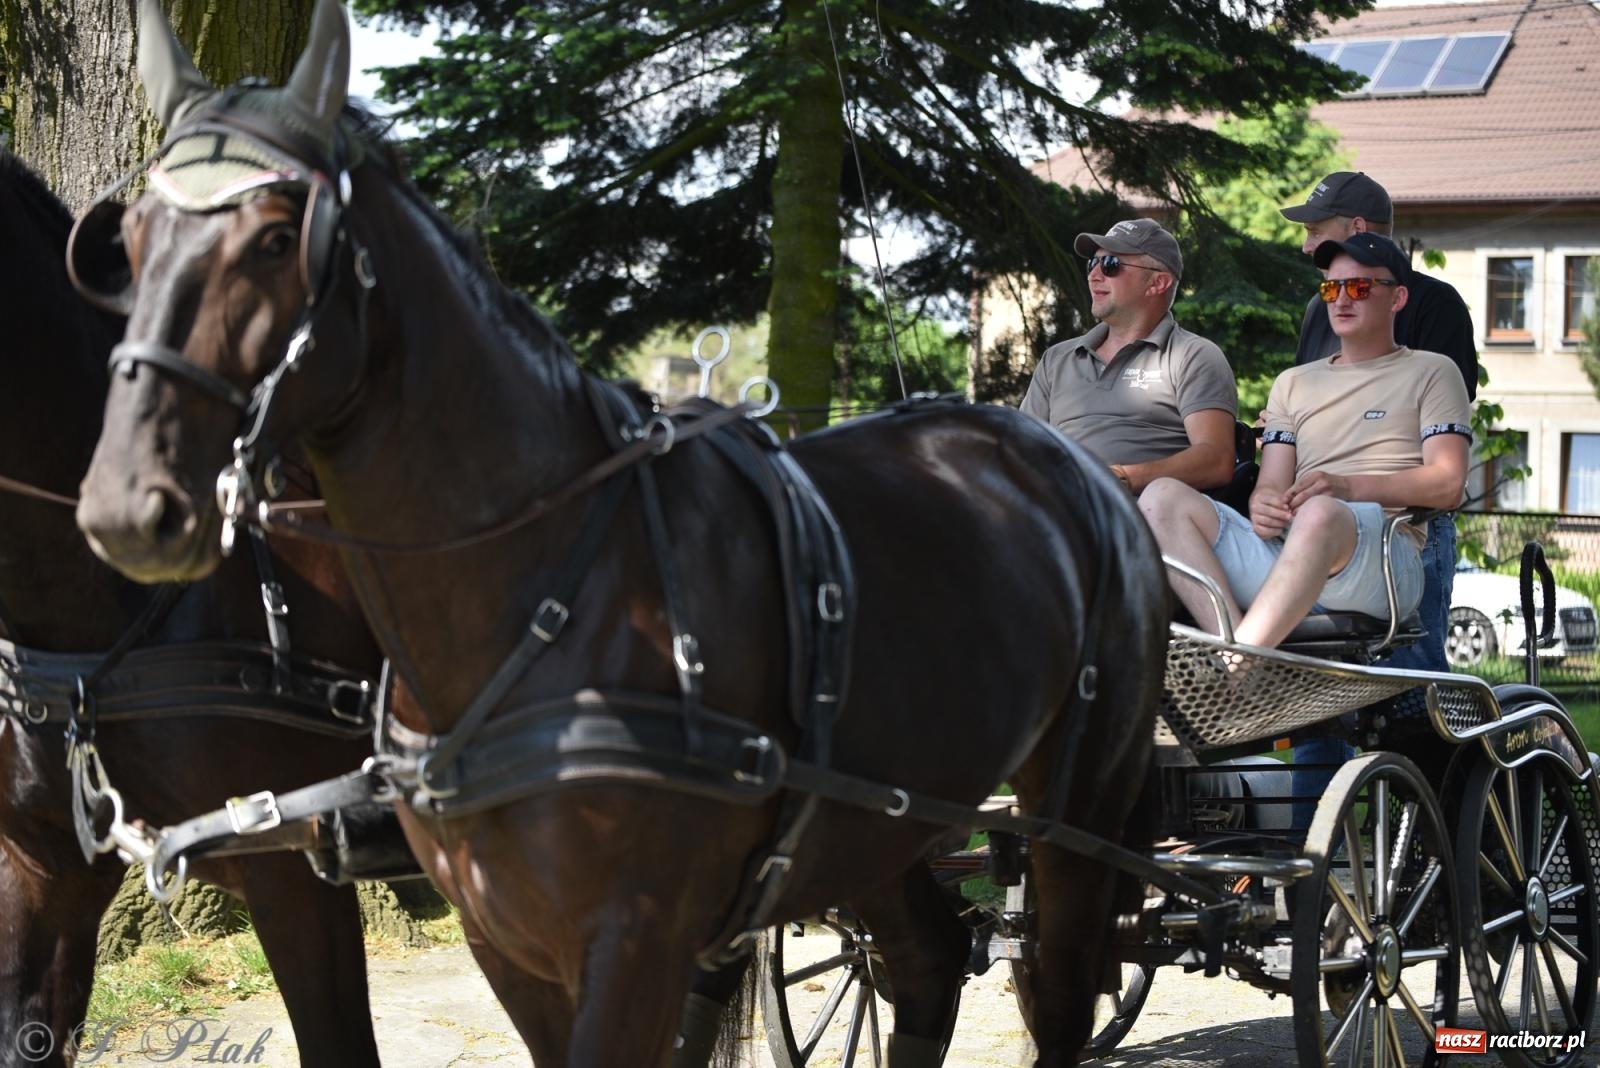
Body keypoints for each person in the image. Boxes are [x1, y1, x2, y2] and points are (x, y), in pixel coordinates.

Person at [1139, 232, 1471, 655]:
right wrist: (1265, 506)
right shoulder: (1293, 383)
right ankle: (1235, 645)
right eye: (1331, 288)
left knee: (1320, 512)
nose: (1341, 300)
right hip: (1290, 555)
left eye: (1360, 287)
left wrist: (1346, 488)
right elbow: (1273, 485)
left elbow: (1448, 484)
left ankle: (1236, 666)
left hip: (1382, 563)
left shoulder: (1433, 371)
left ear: (1398, 298)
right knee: (1160, 497)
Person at [1281, 172, 1480, 796]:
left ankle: (1431, 849)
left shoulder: (1435, 306)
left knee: (1412, 698)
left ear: (1359, 230)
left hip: (1407, 527)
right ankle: (1317, 858)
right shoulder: (1320, 307)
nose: (1308, 242)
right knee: (1319, 705)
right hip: (1323, 528)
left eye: (1319, 228)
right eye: (1330, 282)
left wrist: (1345, 482)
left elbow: (1441, 450)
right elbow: (1317, 393)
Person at [1021, 219, 1237, 494]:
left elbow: (1216, 461)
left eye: (1111, 265)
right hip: (1056, 511)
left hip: (1141, 519)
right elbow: (1023, 447)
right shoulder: (1057, 358)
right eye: (1092, 264)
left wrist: (1119, 478)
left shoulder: (1193, 355)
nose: (1094, 275)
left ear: (1157, 283)